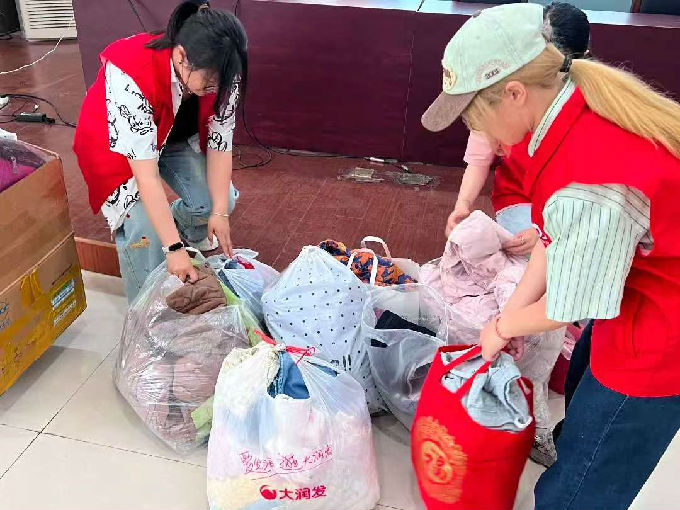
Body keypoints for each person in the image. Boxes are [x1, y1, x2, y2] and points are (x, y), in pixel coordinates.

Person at [422, 3, 680, 508]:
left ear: (514, 93)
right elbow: (551, 243)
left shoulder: (590, 176)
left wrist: (502, 327)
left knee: (584, 486)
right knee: (585, 395)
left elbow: (569, 303)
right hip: (639, 293)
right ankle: (576, 445)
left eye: (473, 112)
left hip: (662, 333)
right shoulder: (567, 108)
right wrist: (511, 316)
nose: (472, 125)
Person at [73, 0, 247, 302]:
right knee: (145, 232)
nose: (217, 88)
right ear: (181, 56)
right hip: (118, 147)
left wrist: (219, 212)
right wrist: (172, 248)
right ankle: (144, 316)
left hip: (172, 139)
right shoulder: (131, 72)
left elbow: (220, 145)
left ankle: (174, 226)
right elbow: (147, 176)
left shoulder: (225, 70)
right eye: (209, 80)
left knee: (218, 202)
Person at [446, 2, 590, 259]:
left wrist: (544, 232)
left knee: (558, 255)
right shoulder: (498, 97)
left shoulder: (586, 109)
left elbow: (588, 199)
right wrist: (463, 205)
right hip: (521, 198)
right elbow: (478, 159)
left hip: (574, 209)